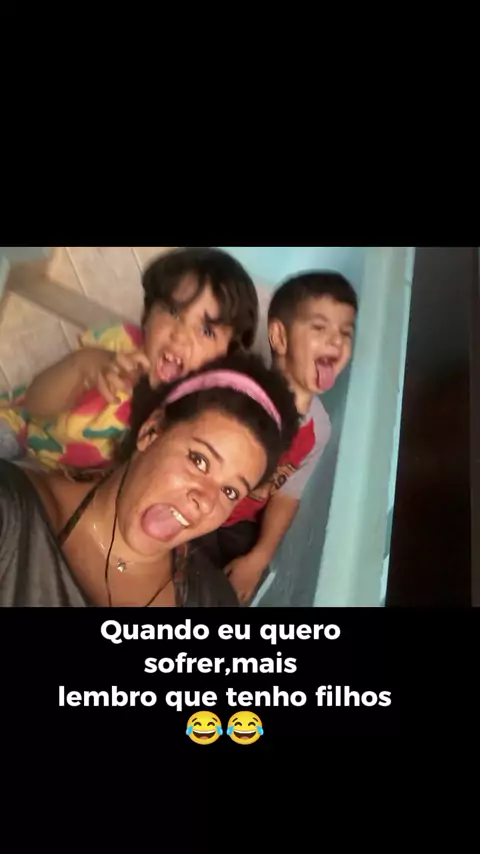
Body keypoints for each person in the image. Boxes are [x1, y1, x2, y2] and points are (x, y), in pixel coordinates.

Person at [0, 352, 299, 607]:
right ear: (151, 432)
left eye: (230, 491)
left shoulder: (213, 602)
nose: (206, 501)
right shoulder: (12, 514)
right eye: (199, 460)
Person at [0, 247, 258, 474]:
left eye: (207, 331)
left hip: (60, 483)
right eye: (173, 311)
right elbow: (35, 404)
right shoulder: (118, 343)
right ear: (148, 314)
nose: (180, 335)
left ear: (225, 358)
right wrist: (87, 365)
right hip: (20, 429)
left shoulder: (193, 413)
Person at [198, 271, 358, 604]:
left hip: (238, 523)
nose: (336, 341)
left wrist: (259, 557)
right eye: (320, 328)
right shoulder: (238, 394)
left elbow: (287, 495)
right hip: (198, 503)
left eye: (345, 332)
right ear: (279, 337)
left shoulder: (319, 429)